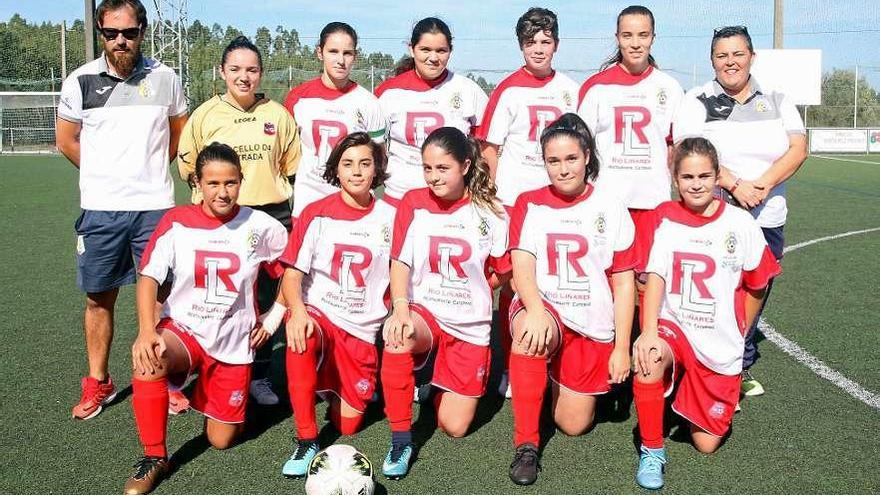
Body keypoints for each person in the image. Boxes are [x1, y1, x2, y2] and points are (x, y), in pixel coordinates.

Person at [123, 143, 288, 495]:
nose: (222, 192)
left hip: (233, 342)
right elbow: (149, 277)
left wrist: (273, 321)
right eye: (213, 183)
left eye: (230, 183)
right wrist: (145, 331)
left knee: (221, 440)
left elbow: (292, 273)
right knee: (149, 356)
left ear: (241, 182)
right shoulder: (177, 222)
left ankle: (209, 392)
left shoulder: (261, 226)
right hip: (185, 331)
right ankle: (155, 457)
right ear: (198, 183)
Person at [56, 0, 188, 420]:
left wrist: (147, 175)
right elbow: (66, 140)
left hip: (154, 208)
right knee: (99, 298)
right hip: (101, 209)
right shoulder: (79, 81)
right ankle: (99, 381)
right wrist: (104, 176)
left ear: (142, 31)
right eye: (111, 33)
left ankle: (165, 376)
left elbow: (178, 135)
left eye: (128, 32)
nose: (120, 41)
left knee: (162, 296)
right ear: (101, 33)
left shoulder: (166, 78)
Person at [631, 137, 781, 490]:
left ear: (717, 177)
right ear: (674, 179)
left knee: (706, 444)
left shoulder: (740, 224)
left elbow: (758, 284)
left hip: (718, 339)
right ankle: (652, 449)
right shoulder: (663, 218)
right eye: (687, 177)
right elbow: (653, 279)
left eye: (704, 176)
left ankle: (686, 391)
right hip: (674, 327)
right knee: (649, 358)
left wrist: (740, 330)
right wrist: (648, 331)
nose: (696, 184)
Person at [673, 25, 807, 396]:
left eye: (737, 54)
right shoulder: (696, 99)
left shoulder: (778, 98)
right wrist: (734, 185)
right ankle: (701, 364)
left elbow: (798, 148)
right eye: (721, 55)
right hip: (715, 215)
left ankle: (738, 362)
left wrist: (762, 185)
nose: (730, 62)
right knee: (714, 291)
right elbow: (685, 150)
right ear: (712, 61)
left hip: (768, 217)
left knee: (755, 288)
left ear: (751, 56)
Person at [506, 114, 636, 486]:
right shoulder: (529, 203)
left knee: (573, 424)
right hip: (544, 308)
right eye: (553, 161)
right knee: (531, 335)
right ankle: (527, 445)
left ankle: (549, 381)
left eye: (571, 159)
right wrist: (533, 309)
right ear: (544, 163)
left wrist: (621, 348)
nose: (563, 169)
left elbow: (624, 283)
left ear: (587, 158)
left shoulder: (610, 206)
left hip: (591, 322)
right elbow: (522, 267)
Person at [177, 35, 302, 406]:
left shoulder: (278, 115)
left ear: (261, 73)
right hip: (222, 220)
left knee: (267, 297)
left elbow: (290, 168)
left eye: (251, 70)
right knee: (219, 298)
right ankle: (207, 370)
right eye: (235, 69)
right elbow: (190, 168)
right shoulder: (205, 115)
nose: (244, 77)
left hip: (269, 217)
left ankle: (258, 374)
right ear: (222, 72)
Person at [380, 127, 509, 479]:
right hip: (426, 316)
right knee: (397, 335)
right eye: (427, 168)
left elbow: (503, 271)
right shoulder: (412, 202)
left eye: (442, 168)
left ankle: (430, 375)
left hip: (468, 326)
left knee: (454, 427)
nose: (433, 177)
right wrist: (401, 308)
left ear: (466, 166)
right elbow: (400, 262)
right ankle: (402, 439)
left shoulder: (491, 212)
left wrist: (478, 286)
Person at [475, 7, 579, 398]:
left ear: (556, 44)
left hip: (558, 202)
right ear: (521, 46)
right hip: (515, 205)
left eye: (546, 41)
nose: (539, 48)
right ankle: (509, 363)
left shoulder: (570, 89)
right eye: (531, 41)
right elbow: (491, 150)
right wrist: (495, 200)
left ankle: (557, 358)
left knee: (556, 279)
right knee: (512, 282)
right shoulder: (507, 90)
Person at [277, 133, 394, 477]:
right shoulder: (317, 213)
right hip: (322, 315)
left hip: (361, 329)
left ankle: (331, 386)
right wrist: (296, 312)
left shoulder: (391, 216)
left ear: (376, 169)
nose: (357, 171)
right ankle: (306, 438)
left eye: (365, 163)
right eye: (347, 164)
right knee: (301, 334)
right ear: (336, 171)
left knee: (347, 425)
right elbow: (292, 276)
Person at [577, 5, 683, 299]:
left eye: (642, 35)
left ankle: (643, 343)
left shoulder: (669, 87)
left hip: (653, 206)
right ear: (617, 37)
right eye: (627, 35)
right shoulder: (596, 87)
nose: (635, 43)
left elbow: (676, 146)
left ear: (653, 37)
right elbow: (579, 147)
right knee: (606, 286)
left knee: (650, 289)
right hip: (608, 203)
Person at [375, 17, 489, 205]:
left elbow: (485, 148)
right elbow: (372, 145)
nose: (433, 58)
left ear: (450, 51)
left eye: (441, 50)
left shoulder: (468, 90)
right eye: (425, 50)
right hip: (398, 198)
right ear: (411, 49)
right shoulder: (388, 92)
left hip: (452, 201)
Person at [283, 22, 386, 218]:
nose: (341, 60)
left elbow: (379, 158)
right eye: (333, 51)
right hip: (308, 199)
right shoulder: (298, 98)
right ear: (319, 52)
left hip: (351, 203)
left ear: (355, 56)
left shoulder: (368, 103)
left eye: (347, 53)